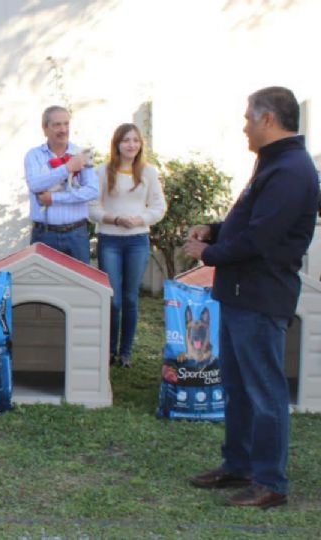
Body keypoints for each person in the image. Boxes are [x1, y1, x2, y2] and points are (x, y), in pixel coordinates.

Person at [184, 87, 318, 509]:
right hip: (241, 293)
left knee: (264, 392)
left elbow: (261, 239)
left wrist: (209, 253)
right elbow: (249, 223)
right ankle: (238, 465)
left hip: (261, 296)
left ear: (268, 120)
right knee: (238, 387)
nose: (243, 125)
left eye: (247, 117)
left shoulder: (292, 170)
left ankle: (269, 482)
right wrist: (216, 229)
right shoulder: (273, 163)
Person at [89, 124, 166, 368]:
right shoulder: (102, 171)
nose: (131, 145)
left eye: (135, 140)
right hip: (110, 239)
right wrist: (115, 219)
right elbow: (92, 208)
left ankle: (126, 352)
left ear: (140, 144)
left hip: (137, 241)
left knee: (131, 298)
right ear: (117, 144)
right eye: (126, 140)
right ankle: (109, 349)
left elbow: (158, 207)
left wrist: (139, 220)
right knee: (113, 299)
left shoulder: (148, 173)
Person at [24, 106, 99, 263]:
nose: (63, 129)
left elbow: (92, 191)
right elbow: (35, 185)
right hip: (44, 234)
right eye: (57, 125)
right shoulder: (34, 155)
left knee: (80, 284)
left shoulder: (81, 153)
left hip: (76, 235)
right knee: (43, 285)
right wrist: (67, 168)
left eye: (66, 124)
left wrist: (55, 198)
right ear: (45, 128)